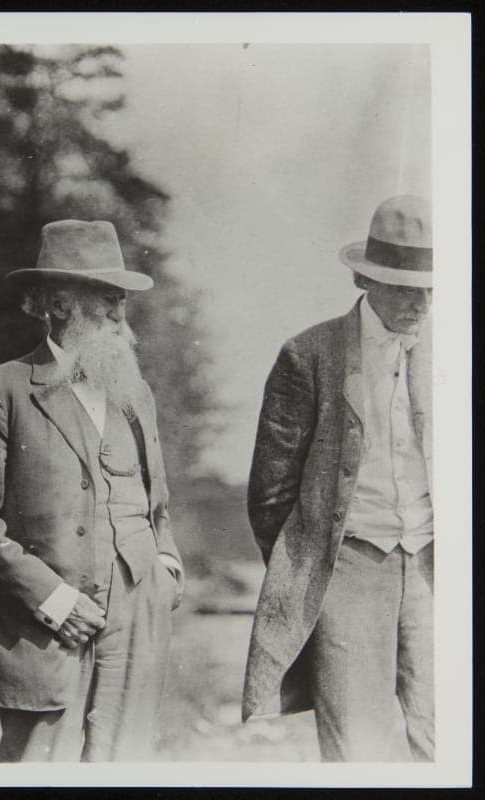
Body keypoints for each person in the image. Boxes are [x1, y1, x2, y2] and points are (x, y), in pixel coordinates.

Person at [0, 219, 185, 762]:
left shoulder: (134, 391)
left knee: (125, 765)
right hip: (46, 626)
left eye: (121, 299)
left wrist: (165, 567)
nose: (119, 315)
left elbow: (155, 502)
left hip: (137, 618)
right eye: (104, 299)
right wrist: (52, 600)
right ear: (54, 304)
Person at [242, 195, 434, 761]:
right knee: (354, 743)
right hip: (347, 568)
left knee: (443, 730)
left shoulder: (452, 352)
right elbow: (271, 492)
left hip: (434, 567)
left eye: (429, 286)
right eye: (403, 286)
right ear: (365, 280)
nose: (420, 301)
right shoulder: (310, 354)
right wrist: (311, 564)